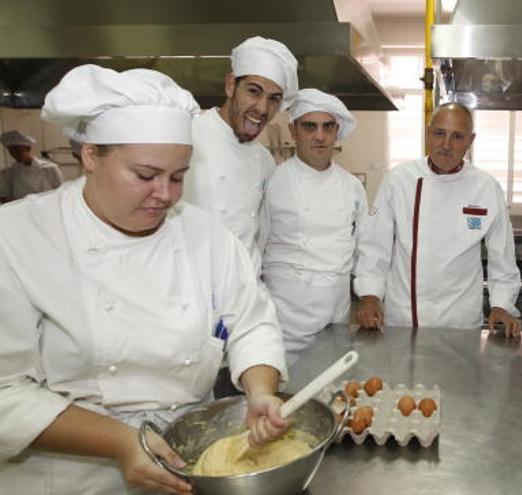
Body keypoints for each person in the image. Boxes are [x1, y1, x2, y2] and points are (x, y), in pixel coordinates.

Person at [0, 65, 290, 495]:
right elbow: (5, 391)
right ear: (90, 156)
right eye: (145, 175)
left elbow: (252, 322)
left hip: (189, 463)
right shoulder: (18, 236)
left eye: (178, 177)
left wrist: (261, 391)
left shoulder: (205, 236)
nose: (166, 195)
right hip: (69, 475)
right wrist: (121, 442)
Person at [354, 102, 522, 336]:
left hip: (460, 322)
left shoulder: (486, 188)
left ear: (470, 141)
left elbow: (502, 258)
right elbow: (375, 246)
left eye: (457, 136)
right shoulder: (399, 180)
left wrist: (502, 305)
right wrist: (370, 295)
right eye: (439, 133)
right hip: (405, 318)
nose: (445, 145)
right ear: (428, 133)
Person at [263, 89, 367, 360]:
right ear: (293, 130)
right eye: (310, 126)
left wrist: (369, 294)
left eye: (327, 127)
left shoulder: (352, 187)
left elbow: (365, 249)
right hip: (286, 322)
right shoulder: (272, 182)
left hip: (337, 316)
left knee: (332, 393)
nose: (319, 136)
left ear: (337, 131)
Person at [183, 36, 299, 273]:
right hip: (190, 288)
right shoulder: (187, 136)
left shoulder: (265, 160)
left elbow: (260, 233)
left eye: (274, 99)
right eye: (254, 91)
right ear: (230, 85)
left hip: (244, 291)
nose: (262, 108)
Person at [0, 130, 63, 202]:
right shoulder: (8, 173)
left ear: (28, 148)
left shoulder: (50, 168)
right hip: (21, 211)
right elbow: (3, 197)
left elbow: (60, 194)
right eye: (10, 150)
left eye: (17, 150)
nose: (14, 153)